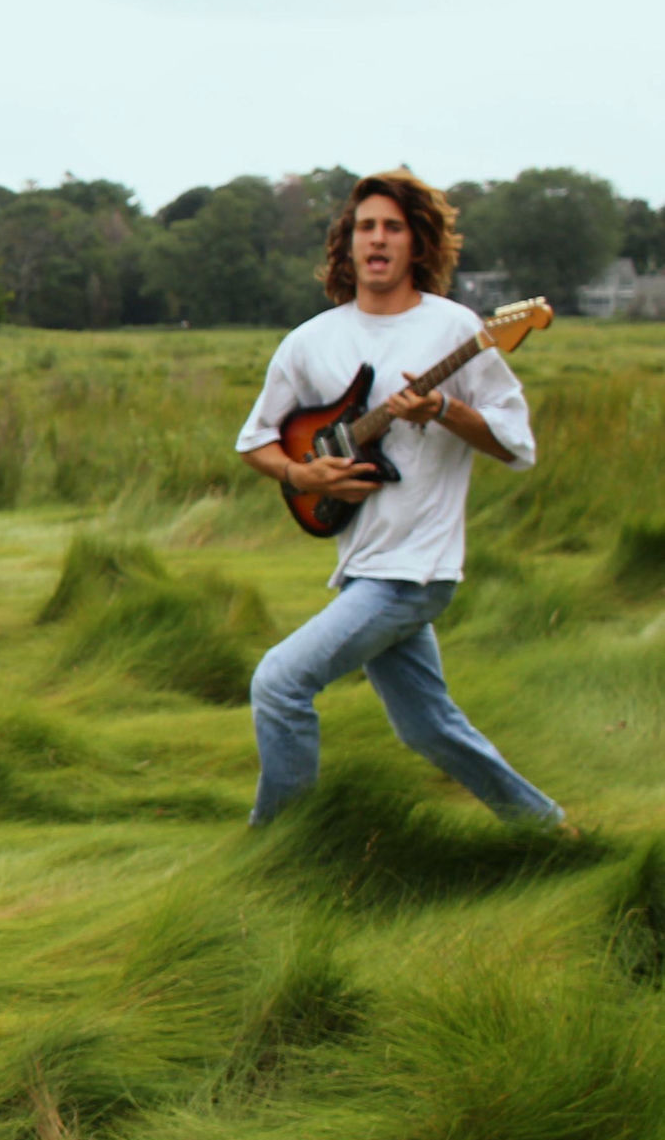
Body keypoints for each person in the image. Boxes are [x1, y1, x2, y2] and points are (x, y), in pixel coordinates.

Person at [235, 168, 565, 828]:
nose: (377, 240)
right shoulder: (311, 341)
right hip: (363, 565)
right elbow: (256, 440)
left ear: (418, 244)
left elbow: (514, 444)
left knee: (279, 683)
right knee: (430, 729)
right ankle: (549, 831)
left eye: (393, 227)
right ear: (347, 244)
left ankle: (280, 849)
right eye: (365, 228)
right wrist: (302, 477)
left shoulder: (458, 330)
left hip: (416, 569)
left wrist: (444, 407)